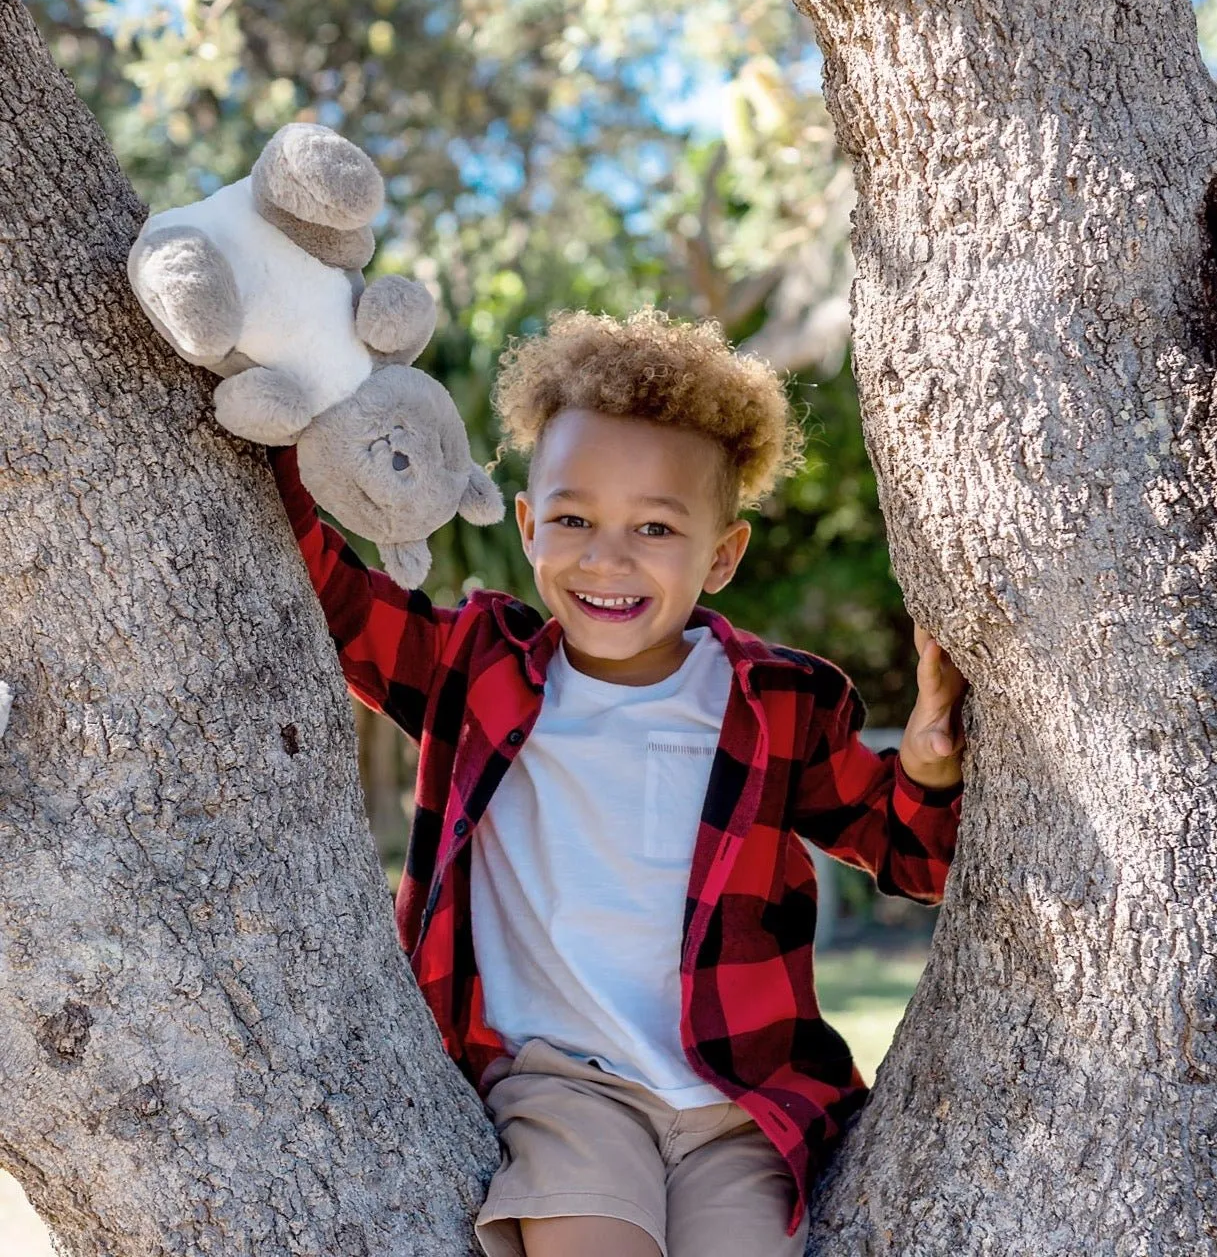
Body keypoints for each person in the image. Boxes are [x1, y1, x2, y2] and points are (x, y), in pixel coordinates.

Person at [268, 306, 966, 1257]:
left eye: (654, 526)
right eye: (572, 518)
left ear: (722, 554)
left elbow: (914, 853)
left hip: (738, 1101)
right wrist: (268, 421)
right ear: (526, 526)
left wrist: (926, 766)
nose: (606, 555)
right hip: (562, 1084)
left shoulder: (778, 702)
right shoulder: (478, 667)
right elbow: (336, 601)